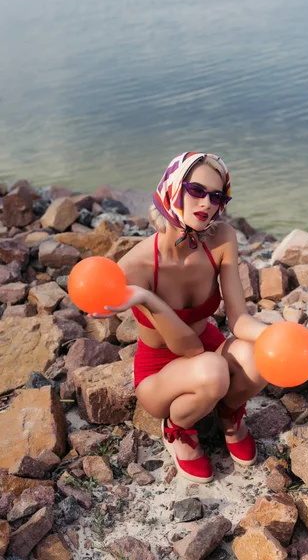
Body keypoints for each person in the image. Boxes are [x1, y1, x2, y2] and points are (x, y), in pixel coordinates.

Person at [94, 152, 268, 483]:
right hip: (159, 372)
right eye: (196, 190)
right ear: (174, 188)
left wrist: (275, 335)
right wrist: (146, 298)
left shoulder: (221, 239)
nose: (207, 203)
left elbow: (239, 320)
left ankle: (228, 413)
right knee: (214, 372)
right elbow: (187, 349)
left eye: (217, 196)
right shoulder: (135, 266)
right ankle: (179, 427)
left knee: (258, 356)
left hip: (208, 350)